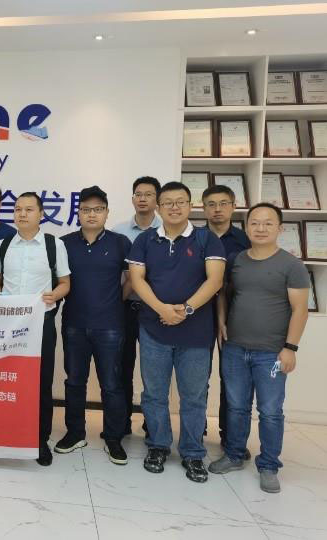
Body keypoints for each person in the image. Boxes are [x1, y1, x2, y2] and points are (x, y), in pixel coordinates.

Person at [127, 181, 225, 483]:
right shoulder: (145, 239)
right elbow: (137, 279)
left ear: (190, 205)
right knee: (154, 394)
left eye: (180, 201)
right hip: (153, 330)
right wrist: (162, 309)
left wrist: (186, 310)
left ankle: (193, 453)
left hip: (196, 333)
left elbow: (214, 280)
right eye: (167, 202)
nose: (174, 207)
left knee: (193, 396)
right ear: (158, 207)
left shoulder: (206, 239)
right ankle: (158, 446)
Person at [209, 203, 309, 494]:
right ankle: (234, 454)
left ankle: (268, 466)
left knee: (270, 410)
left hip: (272, 354)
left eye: (267, 223)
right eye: (254, 223)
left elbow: (300, 309)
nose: (260, 228)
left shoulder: (292, 265)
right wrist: (221, 321)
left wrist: (290, 348)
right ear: (247, 227)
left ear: (280, 228)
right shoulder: (236, 260)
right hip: (235, 348)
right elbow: (223, 294)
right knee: (236, 406)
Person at [0, 192, 71, 466]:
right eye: (18, 209)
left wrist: (55, 294)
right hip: (8, 323)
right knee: (6, 377)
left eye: (29, 209)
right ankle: (6, 431)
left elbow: (65, 283)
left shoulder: (53, 245)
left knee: (40, 381)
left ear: (41, 214)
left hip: (40, 323)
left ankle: (39, 439)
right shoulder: (4, 244)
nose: (22, 214)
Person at [56, 186, 131, 465]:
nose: (91, 214)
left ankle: (113, 437)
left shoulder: (120, 242)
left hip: (110, 325)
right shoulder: (64, 244)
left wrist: (114, 301)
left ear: (107, 213)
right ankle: (75, 433)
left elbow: (132, 279)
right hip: (74, 324)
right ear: (78, 212)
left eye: (98, 209)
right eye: (86, 209)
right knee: (75, 381)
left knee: (111, 384)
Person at [201, 184, 251, 454]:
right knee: (198, 376)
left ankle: (229, 435)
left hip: (236, 317)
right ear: (203, 208)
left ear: (233, 206)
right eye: (211, 204)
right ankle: (196, 428)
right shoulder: (194, 237)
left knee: (231, 378)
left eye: (223, 203)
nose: (217, 209)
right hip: (197, 314)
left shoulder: (245, 241)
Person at [112, 176, 162, 436]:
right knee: (123, 366)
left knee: (155, 370)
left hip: (157, 310)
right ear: (132, 199)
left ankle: (153, 426)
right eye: (138, 194)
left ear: (157, 199)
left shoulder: (166, 229)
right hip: (126, 307)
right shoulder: (119, 231)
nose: (142, 199)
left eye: (148, 194)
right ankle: (121, 423)